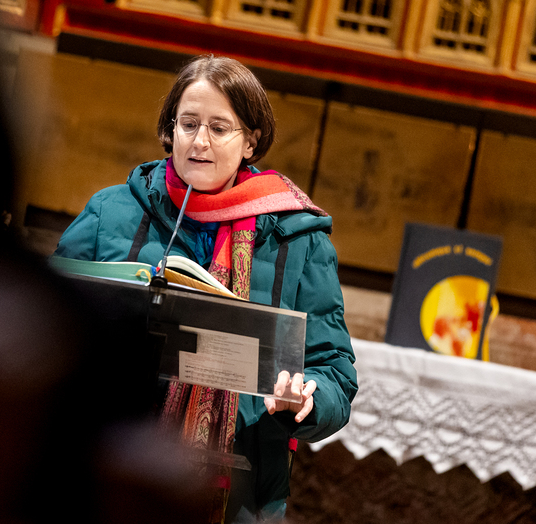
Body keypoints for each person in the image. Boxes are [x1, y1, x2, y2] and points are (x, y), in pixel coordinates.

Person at [53, 54, 358, 523]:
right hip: (107, 471)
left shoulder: (299, 240)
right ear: (169, 129)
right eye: (189, 124)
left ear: (251, 141)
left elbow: (333, 370)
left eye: (219, 128)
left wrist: (306, 399)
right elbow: (39, 321)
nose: (199, 141)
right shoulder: (109, 213)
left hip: (239, 489)